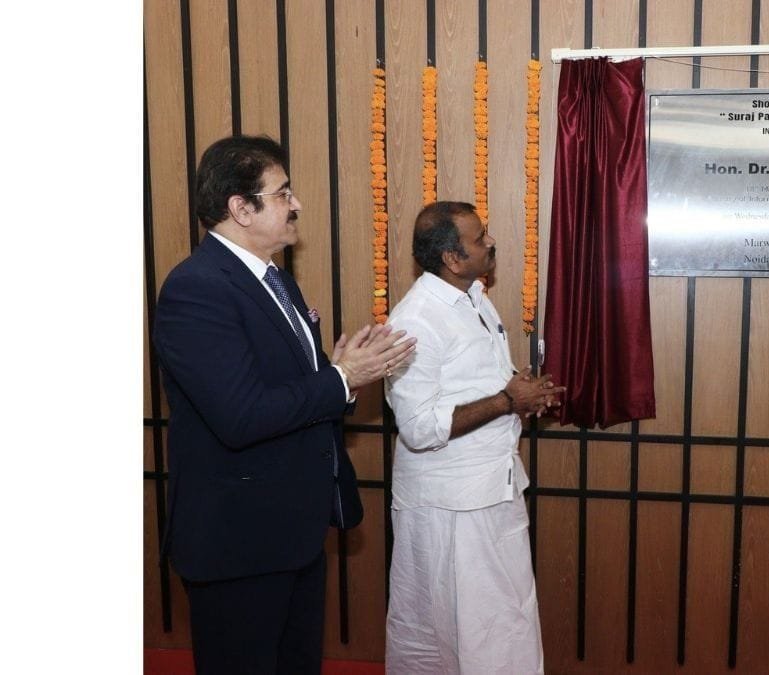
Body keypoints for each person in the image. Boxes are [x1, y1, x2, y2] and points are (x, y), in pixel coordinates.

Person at [153, 135, 415, 674]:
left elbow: (291, 393)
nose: (297, 204)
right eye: (283, 193)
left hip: (292, 533)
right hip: (238, 543)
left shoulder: (276, 281)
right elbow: (241, 416)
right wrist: (341, 378)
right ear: (240, 208)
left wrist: (339, 375)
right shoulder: (197, 288)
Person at [383, 201, 565, 674]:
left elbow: (477, 384)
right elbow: (419, 427)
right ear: (452, 258)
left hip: (492, 487)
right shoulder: (415, 321)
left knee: (505, 622)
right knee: (457, 632)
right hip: (450, 507)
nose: (491, 243)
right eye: (480, 238)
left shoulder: (475, 297)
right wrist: (506, 401)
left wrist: (522, 396)